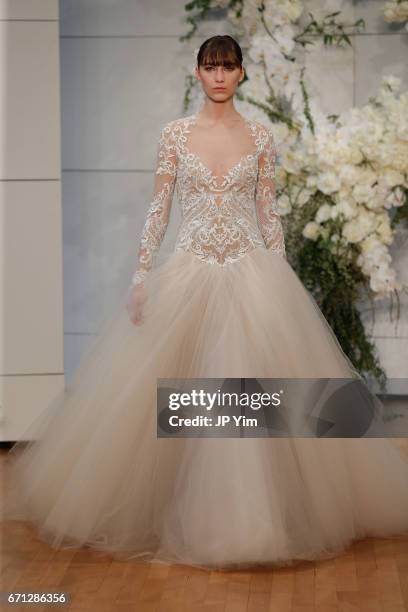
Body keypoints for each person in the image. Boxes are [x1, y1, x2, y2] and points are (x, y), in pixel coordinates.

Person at [4, 35, 408, 571]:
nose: (219, 76)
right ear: (197, 73)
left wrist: (279, 275)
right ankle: (172, 508)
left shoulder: (261, 137)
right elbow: (160, 206)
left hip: (250, 270)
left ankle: (261, 515)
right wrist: (142, 274)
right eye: (210, 67)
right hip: (190, 270)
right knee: (175, 396)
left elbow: (269, 212)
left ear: (242, 74)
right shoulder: (175, 135)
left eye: (228, 67)